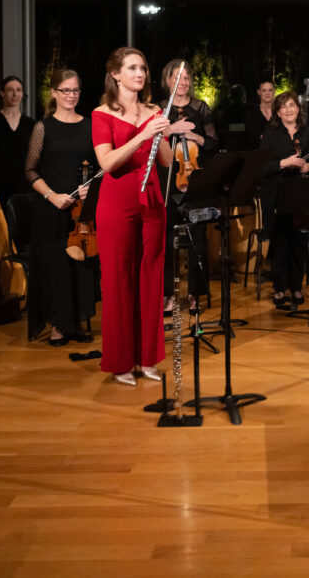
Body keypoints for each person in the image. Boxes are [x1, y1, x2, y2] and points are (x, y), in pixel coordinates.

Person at [91, 47, 174, 386]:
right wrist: (141, 134)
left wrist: (163, 133)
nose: (139, 74)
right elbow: (108, 164)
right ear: (116, 74)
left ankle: (148, 357)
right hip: (117, 203)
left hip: (151, 200)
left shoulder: (154, 110)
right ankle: (121, 360)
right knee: (118, 280)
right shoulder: (101, 114)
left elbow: (166, 161)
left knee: (151, 278)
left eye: (142, 68)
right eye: (132, 68)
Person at [24, 69, 99, 346]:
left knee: (81, 263)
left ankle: (76, 321)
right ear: (54, 92)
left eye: (75, 90)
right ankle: (57, 324)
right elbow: (30, 172)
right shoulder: (42, 127)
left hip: (82, 208)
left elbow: (100, 166)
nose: (71, 95)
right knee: (56, 265)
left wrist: (91, 186)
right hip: (51, 208)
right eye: (65, 90)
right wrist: (52, 196)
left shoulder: (90, 125)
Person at [156, 60, 218, 318]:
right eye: (176, 77)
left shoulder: (200, 107)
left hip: (195, 181)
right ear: (167, 80)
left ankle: (195, 293)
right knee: (165, 240)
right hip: (167, 181)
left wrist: (196, 137)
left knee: (198, 241)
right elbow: (150, 139)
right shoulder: (159, 109)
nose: (182, 82)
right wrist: (171, 129)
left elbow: (214, 143)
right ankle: (168, 294)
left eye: (186, 78)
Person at [258, 90, 309, 310]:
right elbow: (262, 168)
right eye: (284, 106)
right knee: (279, 242)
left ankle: (296, 286)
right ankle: (279, 287)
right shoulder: (270, 134)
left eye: (292, 105)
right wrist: (284, 163)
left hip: (300, 195)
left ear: (298, 109)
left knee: (299, 242)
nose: (288, 110)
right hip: (275, 195)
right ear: (277, 111)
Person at [0, 76, 36, 210]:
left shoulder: (31, 124)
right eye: (10, 90)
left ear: (22, 94)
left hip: (23, 183)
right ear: (2, 94)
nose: (15, 94)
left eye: (18, 90)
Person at [244, 79, 275, 147]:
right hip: (257, 153)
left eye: (270, 90)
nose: (267, 93)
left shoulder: (279, 112)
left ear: (274, 91)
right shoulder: (251, 113)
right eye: (264, 90)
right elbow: (251, 137)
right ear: (258, 92)